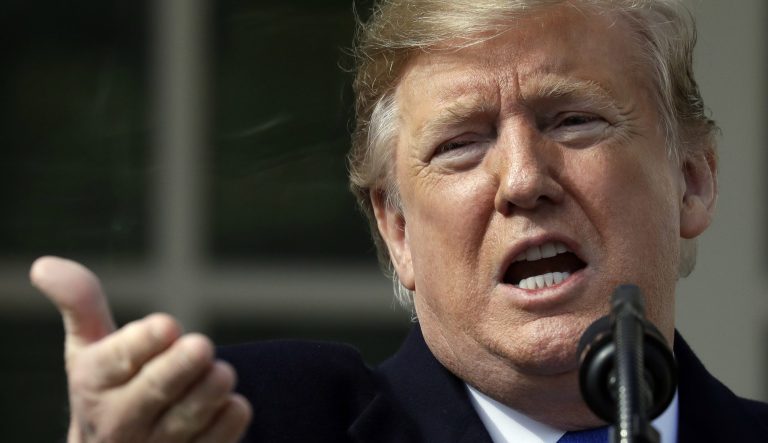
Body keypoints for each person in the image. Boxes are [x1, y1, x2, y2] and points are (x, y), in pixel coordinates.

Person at [30, 0, 768, 442]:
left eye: (573, 120)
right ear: (398, 232)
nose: (523, 180)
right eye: (460, 145)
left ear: (692, 181)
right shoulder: (261, 423)